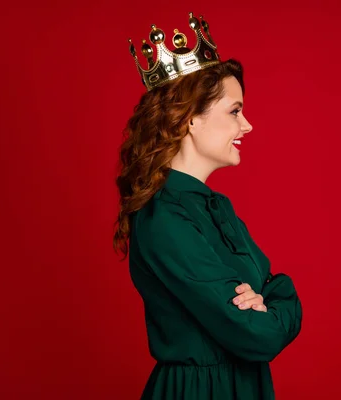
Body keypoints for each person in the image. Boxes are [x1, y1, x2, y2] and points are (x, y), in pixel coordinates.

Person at [113, 12, 303, 399]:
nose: (247, 125)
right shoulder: (164, 216)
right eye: (235, 111)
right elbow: (256, 334)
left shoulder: (219, 206)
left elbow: (279, 289)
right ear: (191, 120)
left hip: (245, 387)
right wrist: (268, 303)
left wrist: (269, 298)